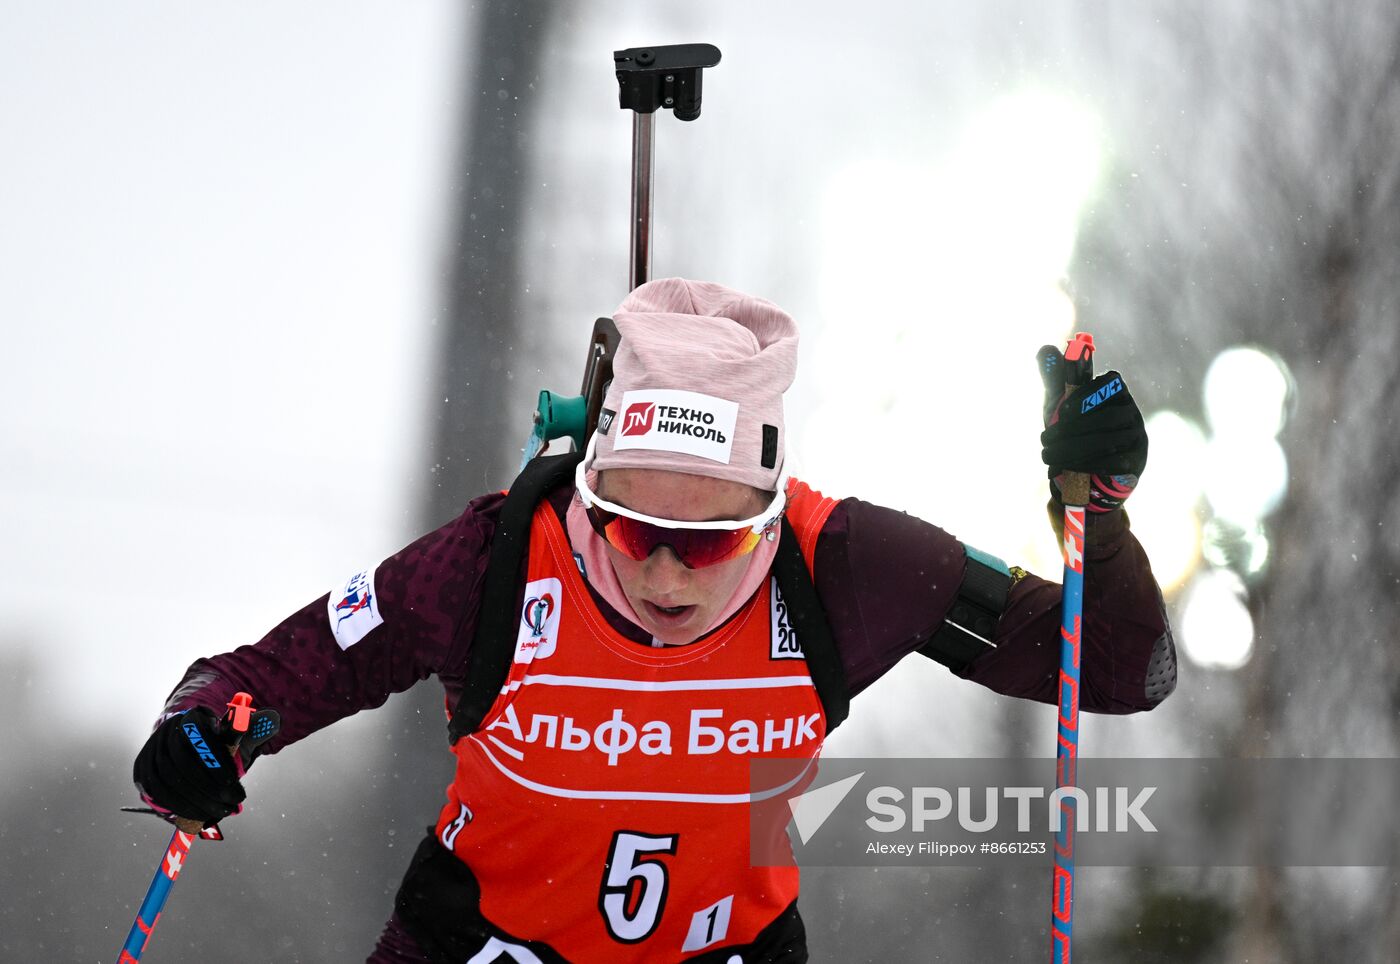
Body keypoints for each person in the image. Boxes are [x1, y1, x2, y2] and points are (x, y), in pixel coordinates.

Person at [132, 277, 1176, 963]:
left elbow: (1122, 668)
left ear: (769, 507)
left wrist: (1100, 510)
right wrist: (202, 727)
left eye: (712, 539)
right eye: (631, 530)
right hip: (479, 946)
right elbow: (275, 673)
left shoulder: (846, 566)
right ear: (586, 486)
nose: (667, 573)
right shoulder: (501, 556)